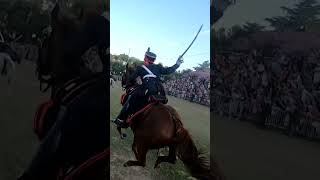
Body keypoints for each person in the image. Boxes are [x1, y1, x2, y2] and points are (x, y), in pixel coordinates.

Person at [112, 48, 183, 127]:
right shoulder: (158, 67)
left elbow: (131, 78)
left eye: (144, 57)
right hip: (159, 90)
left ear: (145, 58)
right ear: (153, 60)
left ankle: (121, 119)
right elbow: (168, 70)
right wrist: (177, 64)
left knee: (130, 99)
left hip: (147, 89)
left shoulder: (140, 68)